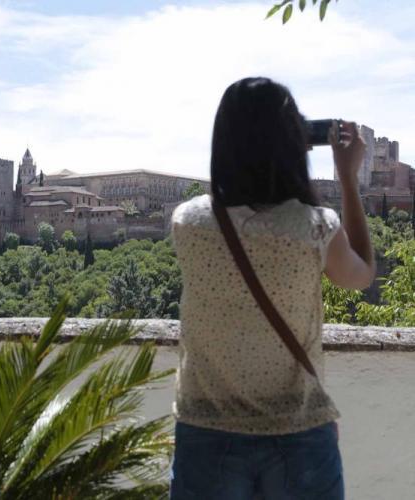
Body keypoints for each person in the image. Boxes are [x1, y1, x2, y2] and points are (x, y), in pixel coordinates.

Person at [169, 77, 375, 499]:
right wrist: (348, 179)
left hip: (206, 435)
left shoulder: (186, 223)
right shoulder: (315, 228)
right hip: (299, 434)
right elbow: (363, 275)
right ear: (293, 144)